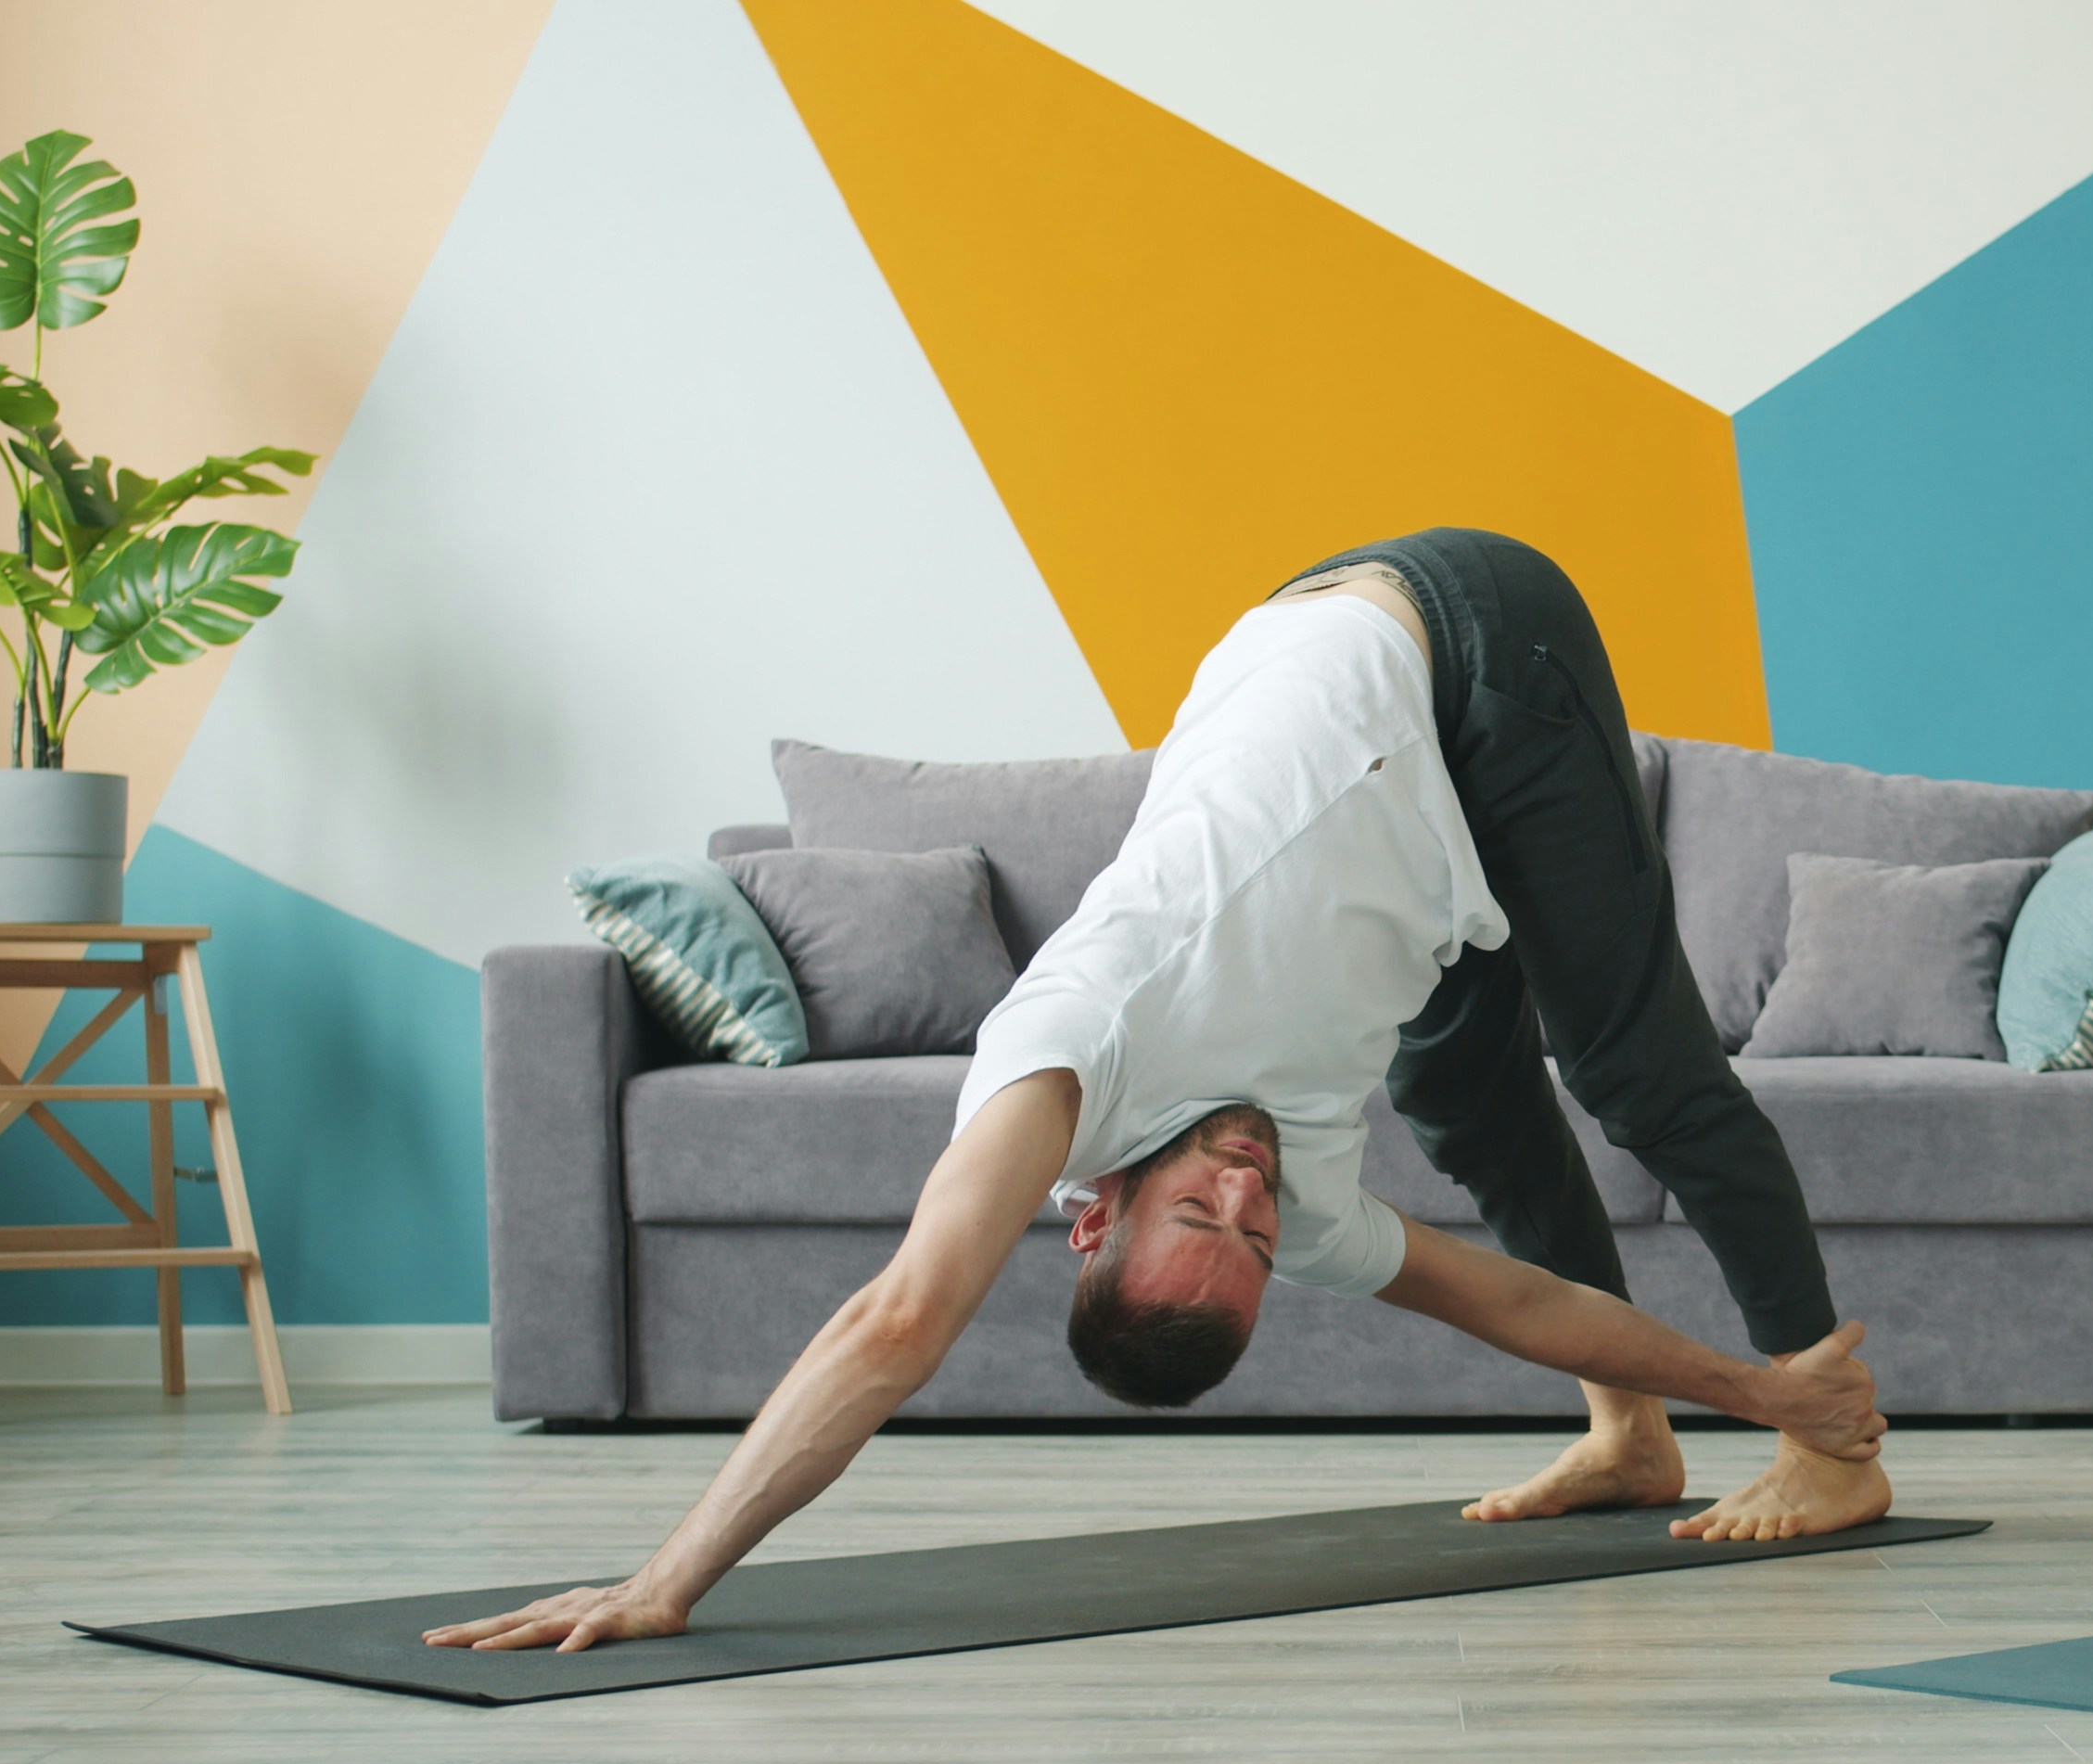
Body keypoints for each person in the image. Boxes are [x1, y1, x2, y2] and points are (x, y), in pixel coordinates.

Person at [431, 530, 1893, 1657]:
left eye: (1205, 1200)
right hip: (1364, 727)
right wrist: (1722, 1378)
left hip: (1458, 635)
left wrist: (667, 1578)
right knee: (1470, 1105)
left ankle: (1835, 1456)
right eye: (1254, 1234)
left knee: (1638, 1075)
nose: (1255, 1184)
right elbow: (1513, 1303)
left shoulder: (1068, 1050)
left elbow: (897, 1321)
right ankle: (1632, 1440)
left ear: (1093, 1212)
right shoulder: (1291, 1200)